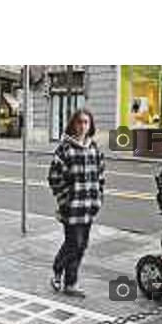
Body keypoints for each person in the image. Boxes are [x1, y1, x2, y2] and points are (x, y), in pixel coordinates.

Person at [48, 108, 105, 297]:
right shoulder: (65, 148)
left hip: (88, 207)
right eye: (79, 122)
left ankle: (70, 283)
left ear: (90, 126)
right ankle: (58, 269)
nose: (82, 126)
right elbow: (54, 178)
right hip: (71, 208)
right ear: (73, 124)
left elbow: (101, 176)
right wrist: (66, 199)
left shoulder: (94, 148)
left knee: (82, 245)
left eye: (86, 122)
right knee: (74, 243)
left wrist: (98, 198)